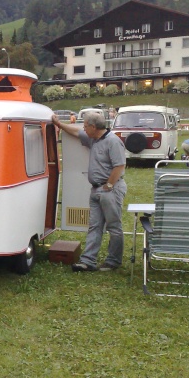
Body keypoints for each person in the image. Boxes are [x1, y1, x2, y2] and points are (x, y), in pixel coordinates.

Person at [52, 111, 127, 272]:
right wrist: (59, 125)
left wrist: (109, 185)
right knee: (94, 226)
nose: (84, 129)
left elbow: (119, 166)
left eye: (86, 126)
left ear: (94, 127)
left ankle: (113, 261)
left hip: (110, 190)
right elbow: (74, 132)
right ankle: (88, 261)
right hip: (96, 190)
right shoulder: (94, 139)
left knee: (114, 226)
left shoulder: (113, 141)